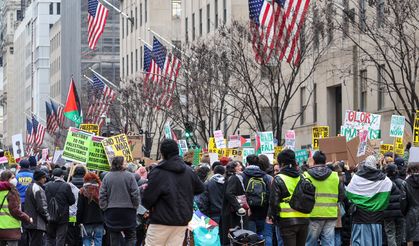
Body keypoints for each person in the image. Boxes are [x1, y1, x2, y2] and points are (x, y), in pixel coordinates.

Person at [142, 139, 204, 246]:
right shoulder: (189, 171)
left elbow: (148, 199)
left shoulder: (158, 172)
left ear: (163, 153)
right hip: (182, 221)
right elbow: (200, 188)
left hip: (161, 220)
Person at [346, 156, 392, 246]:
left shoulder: (356, 177)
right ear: (375, 164)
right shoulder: (384, 179)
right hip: (376, 216)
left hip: (360, 216)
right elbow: (389, 187)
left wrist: (361, 200)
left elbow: (349, 193)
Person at [269, 149, 309, 246]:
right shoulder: (302, 176)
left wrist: (274, 217)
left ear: (282, 163)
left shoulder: (278, 179)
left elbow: (274, 202)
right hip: (304, 219)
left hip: (287, 220)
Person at [304, 151, 344, 246]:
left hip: (313, 214)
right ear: (325, 161)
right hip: (330, 214)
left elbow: (303, 195)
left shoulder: (306, 175)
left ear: (313, 161)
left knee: (310, 242)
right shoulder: (335, 176)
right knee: (329, 242)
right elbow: (342, 195)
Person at [99, 156, 139, 246]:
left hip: (112, 211)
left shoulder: (107, 177)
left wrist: (105, 208)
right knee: (131, 236)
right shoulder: (130, 176)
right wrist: (135, 206)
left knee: (114, 236)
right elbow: (135, 193)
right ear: (120, 164)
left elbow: (102, 195)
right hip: (128, 211)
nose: (126, 163)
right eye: (124, 162)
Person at [242, 154, 273, 246]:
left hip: (248, 212)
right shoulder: (267, 177)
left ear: (247, 163)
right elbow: (272, 196)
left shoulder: (241, 176)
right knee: (266, 236)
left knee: (250, 237)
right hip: (264, 212)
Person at [220, 161, 248, 245]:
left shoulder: (231, 177)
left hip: (229, 211)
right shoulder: (234, 178)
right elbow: (229, 193)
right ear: (234, 168)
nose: (241, 167)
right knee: (235, 236)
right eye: (238, 166)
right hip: (233, 213)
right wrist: (238, 207)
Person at [45, 168, 76, 246]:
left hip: (49, 215)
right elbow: (72, 201)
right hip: (63, 216)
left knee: (49, 237)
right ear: (62, 176)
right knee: (60, 238)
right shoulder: (66, 186)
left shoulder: (47, 185)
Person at [0, 170, 32, 246]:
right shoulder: (11, 192)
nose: (15, 179)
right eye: (12, 177)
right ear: (7, 179)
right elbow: (15, 211)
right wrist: (28, 219)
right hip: (11, 228)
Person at [77, 172, 104, 246]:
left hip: (86, 221)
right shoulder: (101, 190)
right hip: (99, 220)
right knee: (98, 239)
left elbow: (80, 208)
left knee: (86, 239)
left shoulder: (82, 191)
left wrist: (78, 221)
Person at [24, 170, 49, 245]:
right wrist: (48, 218)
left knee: (32, 242)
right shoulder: (38, 188)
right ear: (40, 178)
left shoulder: (29, 187)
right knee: (36, 242)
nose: (45, 179)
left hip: (29, 219)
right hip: (37, 221)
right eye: (44, 178)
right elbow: (42, 207)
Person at [383, 164, 405, 246]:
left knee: (390, 233)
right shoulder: (402, 182)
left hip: (387, 212)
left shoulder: (384, 183)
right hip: (400, 212)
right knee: (399, 233)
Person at [401, 162, 419, 245]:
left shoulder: (405, 183)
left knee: (410, 238)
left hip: (411, 213)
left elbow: (403, 200)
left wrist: (404, 212)